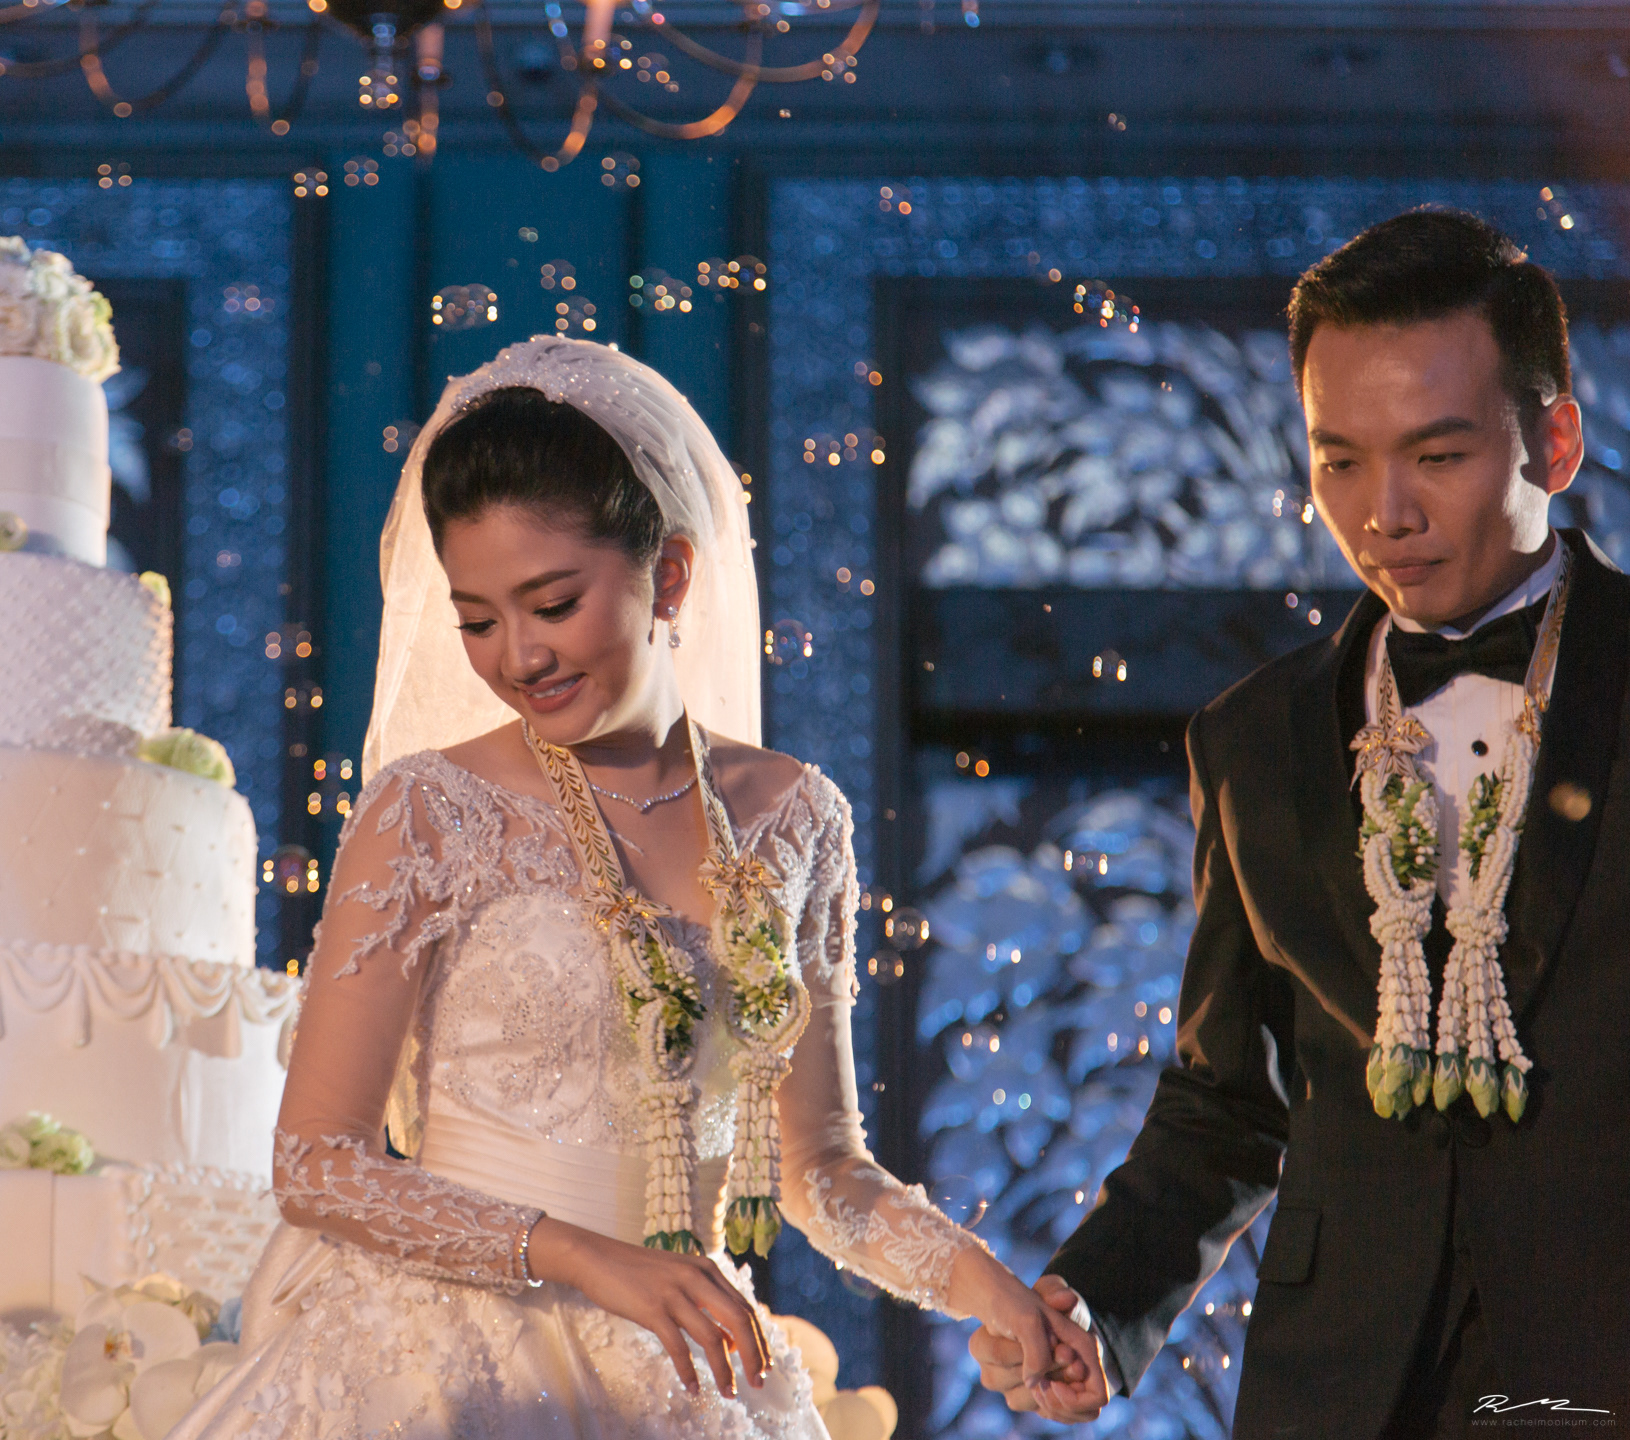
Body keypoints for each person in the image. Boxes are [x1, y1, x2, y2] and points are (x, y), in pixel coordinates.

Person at [170, 336, 1087, 1440]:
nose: (517, 658)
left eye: (552, 603)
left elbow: (821, 1171)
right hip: (445, 1362)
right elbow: (318, 1164)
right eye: (477, 620)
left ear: (672, 575)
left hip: (685, 1365)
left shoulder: (795, 817)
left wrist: (987, 1287)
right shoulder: (429, 811)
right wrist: (581, 1258)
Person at [970, 208, 1630, 1436]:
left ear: (1553, 443)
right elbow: (1227, 1096)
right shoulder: (1250, 736)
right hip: (1337, 1386)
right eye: (1339, 462)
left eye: (1437, 455)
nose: (1384, 512)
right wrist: (1103, 1302)